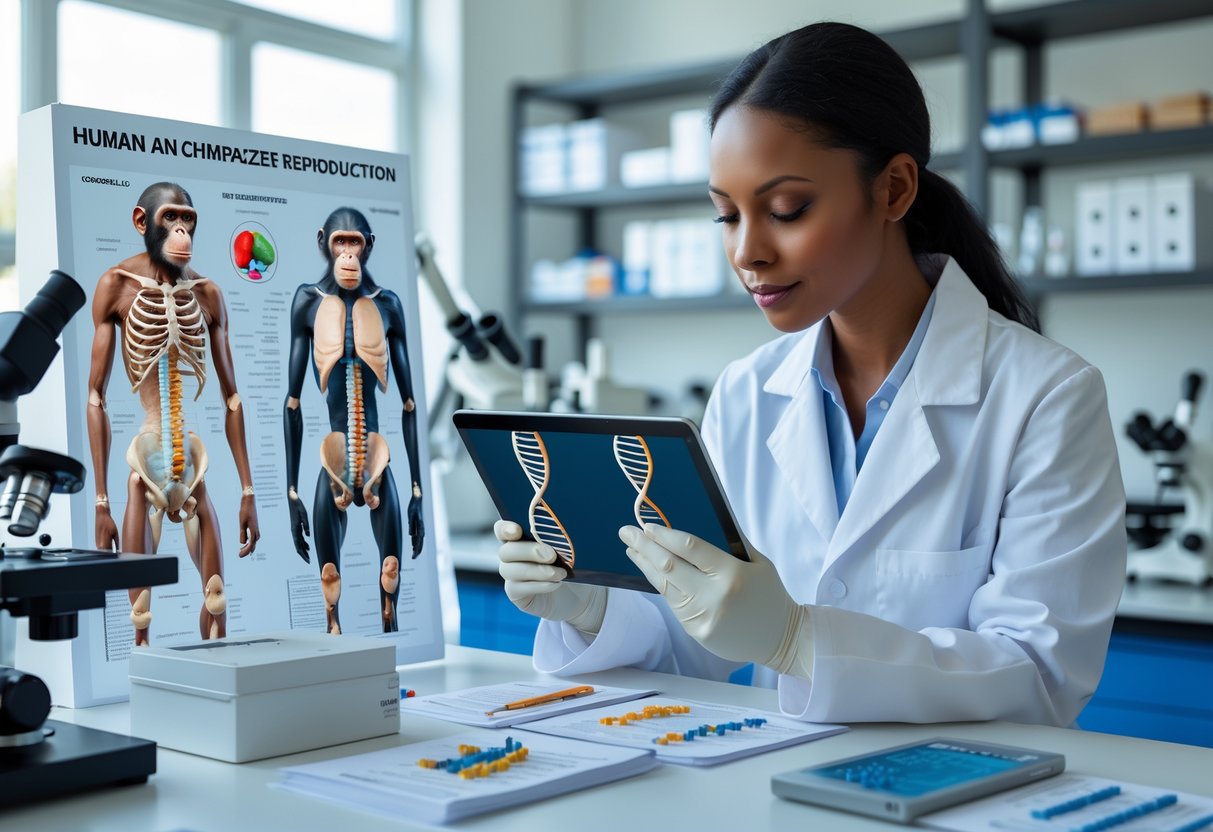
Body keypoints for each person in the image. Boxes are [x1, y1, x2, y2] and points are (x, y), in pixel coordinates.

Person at [494, 21, 1126, 727]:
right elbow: (695, 641)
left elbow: (1036, 677)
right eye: (726, 217)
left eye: (785, 210)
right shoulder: (746, 394)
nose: (747, 252)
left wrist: (799, 640)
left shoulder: (1045, 397)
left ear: (892, 189)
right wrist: (592, 609)